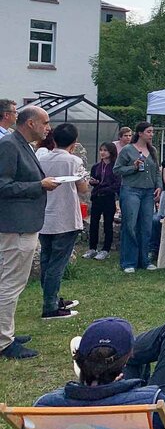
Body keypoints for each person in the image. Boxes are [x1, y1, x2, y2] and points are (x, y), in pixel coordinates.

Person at [36, 316, 165, 429]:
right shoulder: (152, 401)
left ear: (80, 359)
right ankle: (120, 355)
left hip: (81, 405)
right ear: (123, 366)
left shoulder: (45, 406)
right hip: (137, 412)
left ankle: (98, 373)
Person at [0, 106, 57, 358]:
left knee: (9, 282)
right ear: (31, 123)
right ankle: (3, 341)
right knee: (10, 284)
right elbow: (3, 185)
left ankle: (6, 332)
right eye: (45, 122)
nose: (48, 128)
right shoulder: (10, 145)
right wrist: (39, 185)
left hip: (22, 224)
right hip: (16, 226)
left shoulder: (22, 144)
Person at [38, 123, 89, 319]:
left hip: (45, 216)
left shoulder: (41, 158)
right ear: (74, 142)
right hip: (65, 217)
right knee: (57, 264)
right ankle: (50, 306)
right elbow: (83, 188)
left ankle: (51, 298)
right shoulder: (73, 160)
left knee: (46, 260)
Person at [114, 122, 161, 273]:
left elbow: (157, 170)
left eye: (152, 132)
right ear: (140, 133)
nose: (151, 134)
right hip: (131, 190)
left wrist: (159, 186)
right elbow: (117, 169)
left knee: (146, 226)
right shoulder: (127, 150)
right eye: (149, 131)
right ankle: (129, 261)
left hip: (148, 192)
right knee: (130, 225)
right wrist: (133, 167)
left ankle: (144, 260)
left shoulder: (153, 150)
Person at [85, 142, 120, 261]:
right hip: (97, 197)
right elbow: (93, 180)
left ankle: (106, 249)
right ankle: (92, 248)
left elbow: (117, 185)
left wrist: (103, 187)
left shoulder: (115, 167)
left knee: (107, 224)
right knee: (93, 223)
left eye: (105, 150)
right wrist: (93, 182)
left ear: (111, 152)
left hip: (108, 197)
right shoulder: (96, 166)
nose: (102, 153)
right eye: (101, 150)